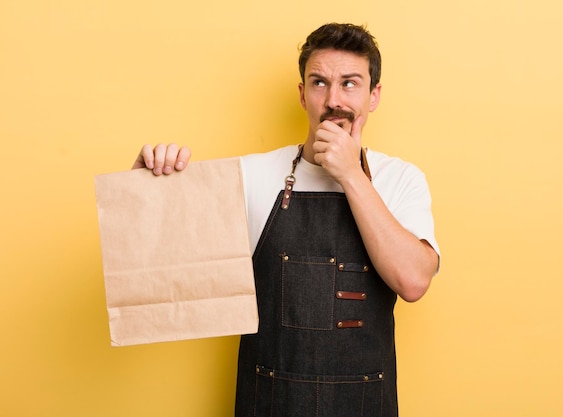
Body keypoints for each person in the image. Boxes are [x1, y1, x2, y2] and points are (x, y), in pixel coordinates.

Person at [133, 23, 439, 417]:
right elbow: (164, 266)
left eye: (349, 83)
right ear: (302, 94)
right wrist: (145, 188)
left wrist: (349, 173)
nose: (333, 100)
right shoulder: (252, 174)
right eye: (319, 83)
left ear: (373, 95)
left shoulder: (402, 180)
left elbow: (413, 281)